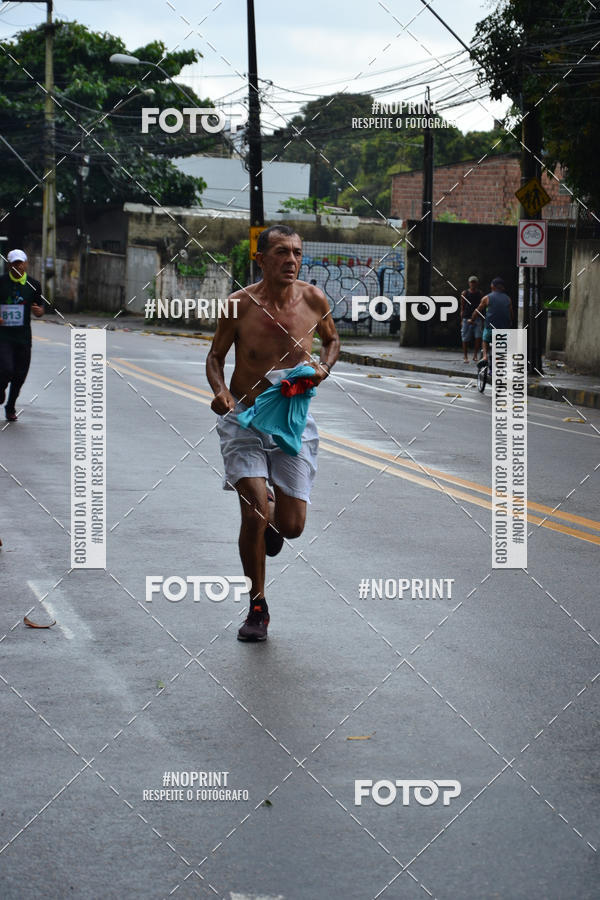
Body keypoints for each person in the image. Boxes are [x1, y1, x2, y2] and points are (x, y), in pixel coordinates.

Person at [206, 225, 340, 642]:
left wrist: (323, 367)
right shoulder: (238, 305)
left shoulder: (314, 299)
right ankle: (257, 607)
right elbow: (215, 357)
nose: (292, 260)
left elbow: (333, 342)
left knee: (292, 525)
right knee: (254, 514)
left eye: (297, 253)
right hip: (244, 417)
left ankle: (274, 521)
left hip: (292, 419)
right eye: (281, 252)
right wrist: (221, 392)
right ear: (260, 258)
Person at [0, 249, 44, 421]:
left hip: (23, 337)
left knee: (20, 375)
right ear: (9, 265)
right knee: (6, 369)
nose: (18, 266)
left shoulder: (34, 285)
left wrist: (39, 311)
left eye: (21, 263)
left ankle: (10, 406)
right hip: (3, 336)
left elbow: (40, 309)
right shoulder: (1, 282)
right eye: (15, 263)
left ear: (26, 264)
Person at [470, 276, 513, 365]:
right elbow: (511, 314)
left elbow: (477, 310)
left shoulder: (487, 298)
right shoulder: (508, 299)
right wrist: (510, 323)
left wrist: (472, 319)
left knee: (485, 340)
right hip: (504, 329)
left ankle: (485, 356)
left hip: (490, 327)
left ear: (493, 286)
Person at [460, 275, 483, 362]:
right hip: (466, 317)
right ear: (469, 283)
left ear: (477, 283)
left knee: (478, 337)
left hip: (477, 318)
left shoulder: (480, 293)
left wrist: (482, 319)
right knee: (465, 337)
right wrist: (461, 319)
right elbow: (462, 307)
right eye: (471, 282)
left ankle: (475, 355)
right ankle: (465, 356)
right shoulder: (465, 293)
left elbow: (482, 306)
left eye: (474, 282)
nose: (472, 284)